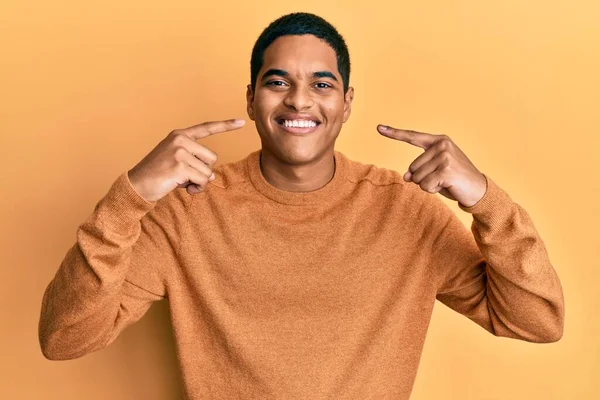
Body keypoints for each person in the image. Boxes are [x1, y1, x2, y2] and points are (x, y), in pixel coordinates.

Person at [38, 12, 565, 399]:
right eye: (277, 82)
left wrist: (485, 201)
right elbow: (64, 338)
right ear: (251, 99)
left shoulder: (406, 212)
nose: (298, 100)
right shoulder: (187, 211)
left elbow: (538, 319)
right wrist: (131, 195)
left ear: (346, 103)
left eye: (321, 83)